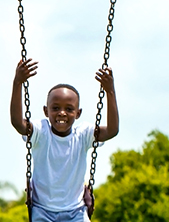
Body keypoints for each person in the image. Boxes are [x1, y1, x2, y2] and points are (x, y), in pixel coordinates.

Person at [10, 58, 119, 222]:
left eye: (69, 109)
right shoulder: (41, 132)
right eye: (55, 108)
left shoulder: (83, 135)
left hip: (75, 211)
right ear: (46, 111)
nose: (62, 113)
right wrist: (18, 83)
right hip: (42, 210)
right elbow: (18, 123)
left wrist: (110, 92)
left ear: (78, 113)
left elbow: (112, 130)